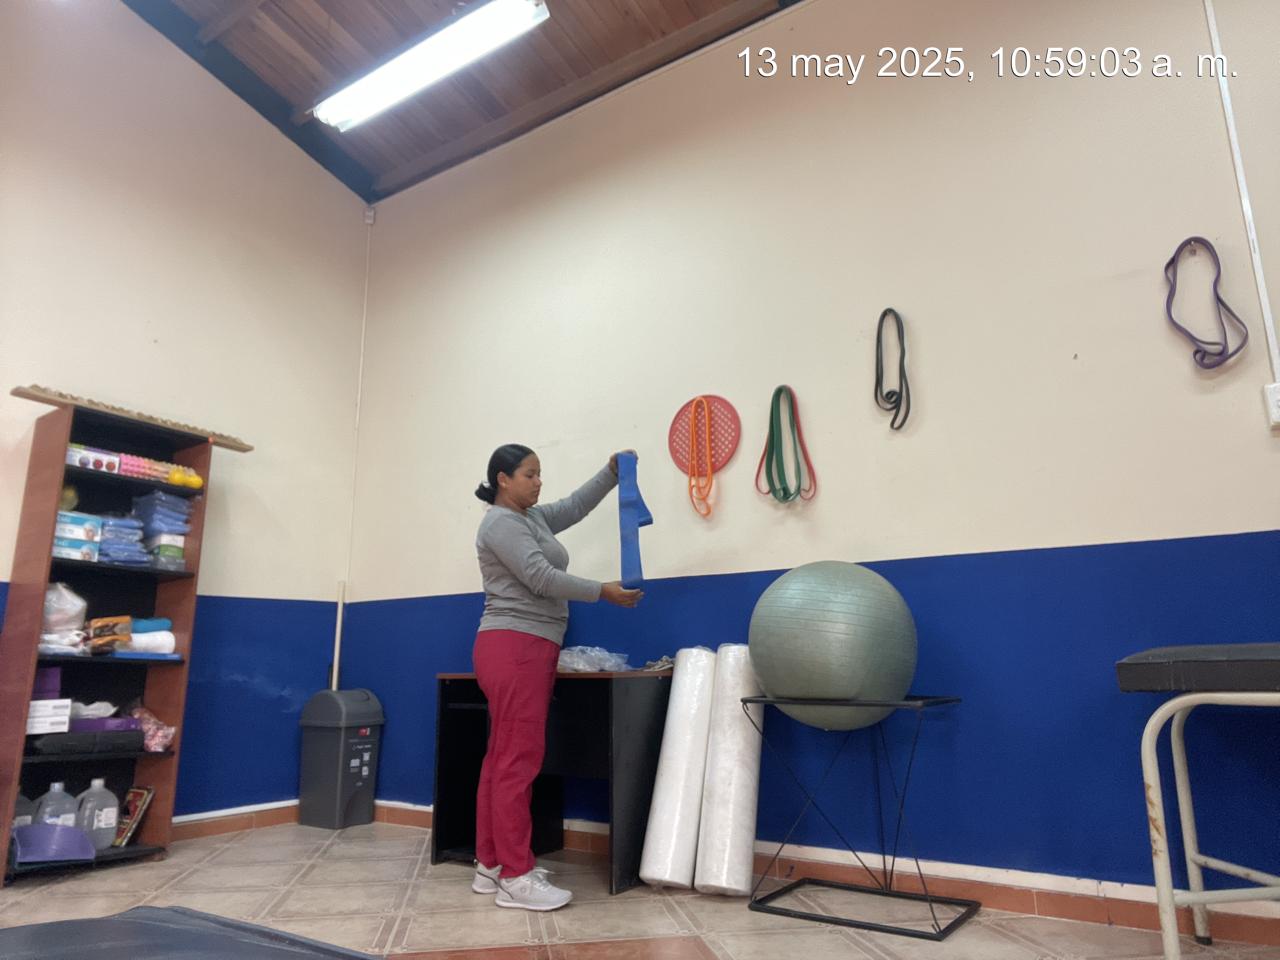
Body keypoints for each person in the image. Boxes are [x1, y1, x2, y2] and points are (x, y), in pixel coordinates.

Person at [470, 443, 643, 911]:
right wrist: (602, 592)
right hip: (516, 646)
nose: (538, 481)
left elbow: (574, 506)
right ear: (503, 479)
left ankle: (491, 865)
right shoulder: (500, 523)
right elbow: (541, 578)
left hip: (524, 646)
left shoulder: (532, 518)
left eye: (539, 473)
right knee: (517, 761)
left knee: (503, 757)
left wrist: (610, 473)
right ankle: (516, 875)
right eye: (529, 474)